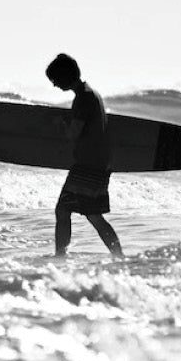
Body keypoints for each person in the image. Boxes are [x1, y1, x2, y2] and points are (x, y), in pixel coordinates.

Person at [46, 53, 124, 257]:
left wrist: (61, 124)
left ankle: (60, 257)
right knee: (93, 216)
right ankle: (119, 257)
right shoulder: (92, 94)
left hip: (88, 165)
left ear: (63, 77)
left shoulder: (83, 98)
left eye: (54, 80)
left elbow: (74, 133)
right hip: (99, 163)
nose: (54, 85)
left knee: (64, 210)